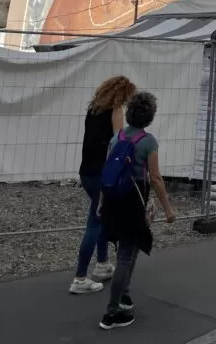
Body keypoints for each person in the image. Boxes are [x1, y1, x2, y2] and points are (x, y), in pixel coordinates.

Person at [99, 91, 175, 330]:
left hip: (113, 201)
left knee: (130, 249)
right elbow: (156, 178)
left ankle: (124, 295)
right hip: (133, 203)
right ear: (149, 116)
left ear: (129, 113)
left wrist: (101, 203)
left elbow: (107, 172)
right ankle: (112, 313)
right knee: (125, 255)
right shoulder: (148, 141)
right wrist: (168, 209)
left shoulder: (117, 137)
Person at [69, 75, 136, 296]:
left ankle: (103, 263)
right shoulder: (115, 111)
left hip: (86, 171)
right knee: (95, 222)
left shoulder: (93, 110)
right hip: (102, 173)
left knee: (102, 216)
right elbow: (118, 144)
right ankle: (80, 278)